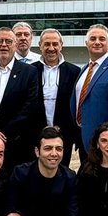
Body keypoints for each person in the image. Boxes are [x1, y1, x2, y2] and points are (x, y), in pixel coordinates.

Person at [0, 27, 42, 175]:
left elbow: (29, 107)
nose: (4, 45)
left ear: (15, 45)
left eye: (8, 41)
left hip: (17, 142)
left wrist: (4, 132)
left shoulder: (29, 72)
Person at [72, 24, 108, 158]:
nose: (97, 42)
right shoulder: (84, 70)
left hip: (104, 144)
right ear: (86, 43)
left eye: (102, 39)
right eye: (93, 39)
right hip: (84, 138)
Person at [32, 29, 80, 166]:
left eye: (55, 44)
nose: (51, 48)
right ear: (40, 45)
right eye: (47, 44)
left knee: (61, 174)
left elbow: (76, 105)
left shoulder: (74, 72)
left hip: (64, 135)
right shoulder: (30, 70)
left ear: (61, 45)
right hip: (36, 135)